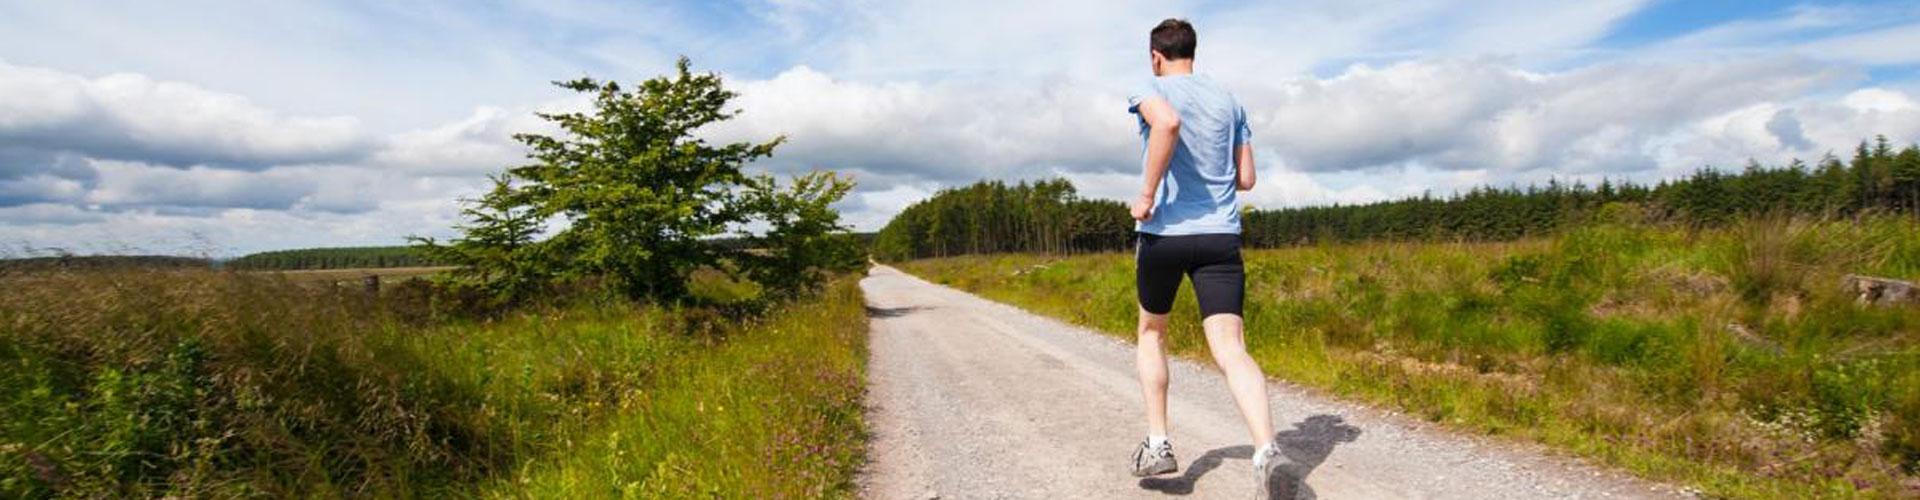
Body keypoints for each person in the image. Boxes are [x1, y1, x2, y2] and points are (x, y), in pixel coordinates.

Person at [1123, 18, 1280, 497]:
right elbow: (1247, 177)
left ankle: (1158, 443)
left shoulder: (1148, 87)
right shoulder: (1230, 101)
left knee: (1152, 331)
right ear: (1193, 52)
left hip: (1165, 234)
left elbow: (1166, 123)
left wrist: (1147, 194)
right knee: (1231, 348)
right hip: (1220, 237)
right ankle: (1268, 450)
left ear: (1156, 56)